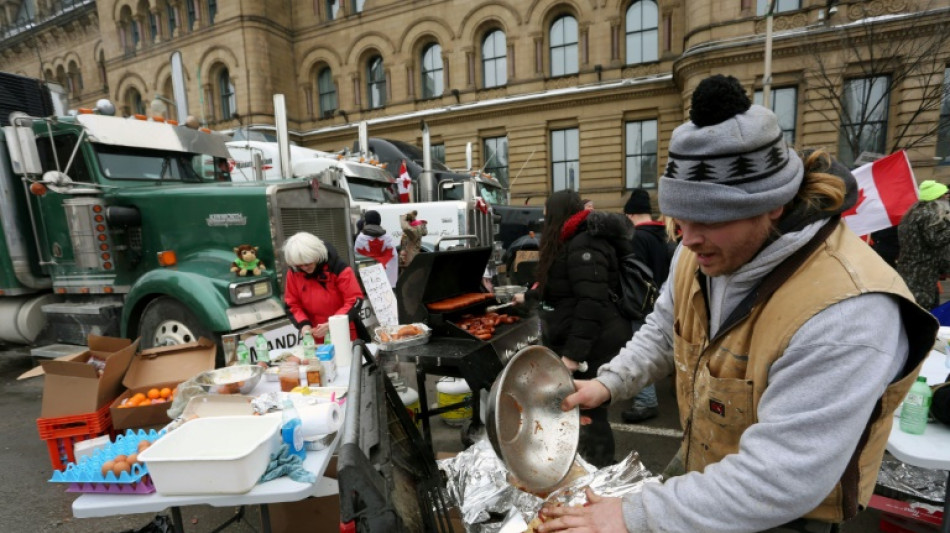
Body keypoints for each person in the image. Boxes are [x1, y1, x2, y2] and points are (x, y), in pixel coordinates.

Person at [539, 75, 936, 533]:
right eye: (679, 218)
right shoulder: (697, 252)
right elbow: (666, 329)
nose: (687, 239)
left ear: (773, 204)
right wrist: (606, 384)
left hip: (784, 516)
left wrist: (632, 516)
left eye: (707, 219)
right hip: (700, 472)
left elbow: (782, 477)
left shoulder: (848, 309)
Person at [533, 189, 634, 468]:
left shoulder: (584, 243)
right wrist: (527, 298)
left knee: (590, 413)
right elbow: (562, 290)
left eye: (546, 213)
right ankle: (584, 466)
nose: (543, 219)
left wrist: (573, 356)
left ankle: (598, 471)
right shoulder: (573, 239)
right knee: (581, 412)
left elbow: (592, 304)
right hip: (585, 339)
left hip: (595, 343)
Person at [620, 188, 672, 424]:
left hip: (642, 304)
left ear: (630, 215)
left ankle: (646, 401)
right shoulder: (662, 234)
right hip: (662, 298)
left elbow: (635, 276)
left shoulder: (637, 238)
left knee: (643, 349)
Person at [283, 231, 364, 342]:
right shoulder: (293, 272)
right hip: (315, 335)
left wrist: (333, 323)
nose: (304, 268)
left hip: (343, 332)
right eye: (299, 265)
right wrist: (303, 324)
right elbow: (292, 304)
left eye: (308, 263)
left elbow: (354, 300)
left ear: (317, 256)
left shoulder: (338, 268)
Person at [896, 180, 950, 310]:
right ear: (937, 198)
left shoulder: (913, 214)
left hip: (912, 270)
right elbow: (935, 239)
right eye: (946, 196)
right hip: (922, 274)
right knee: (925, 310)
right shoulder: (929, 215)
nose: (947, 199)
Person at [354, 210, 399, 287]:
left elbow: (356, 256)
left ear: (366, 222)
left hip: (368, 279)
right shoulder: (387, 237)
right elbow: (393, 257)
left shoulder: (361, 238)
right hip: (386, 279)